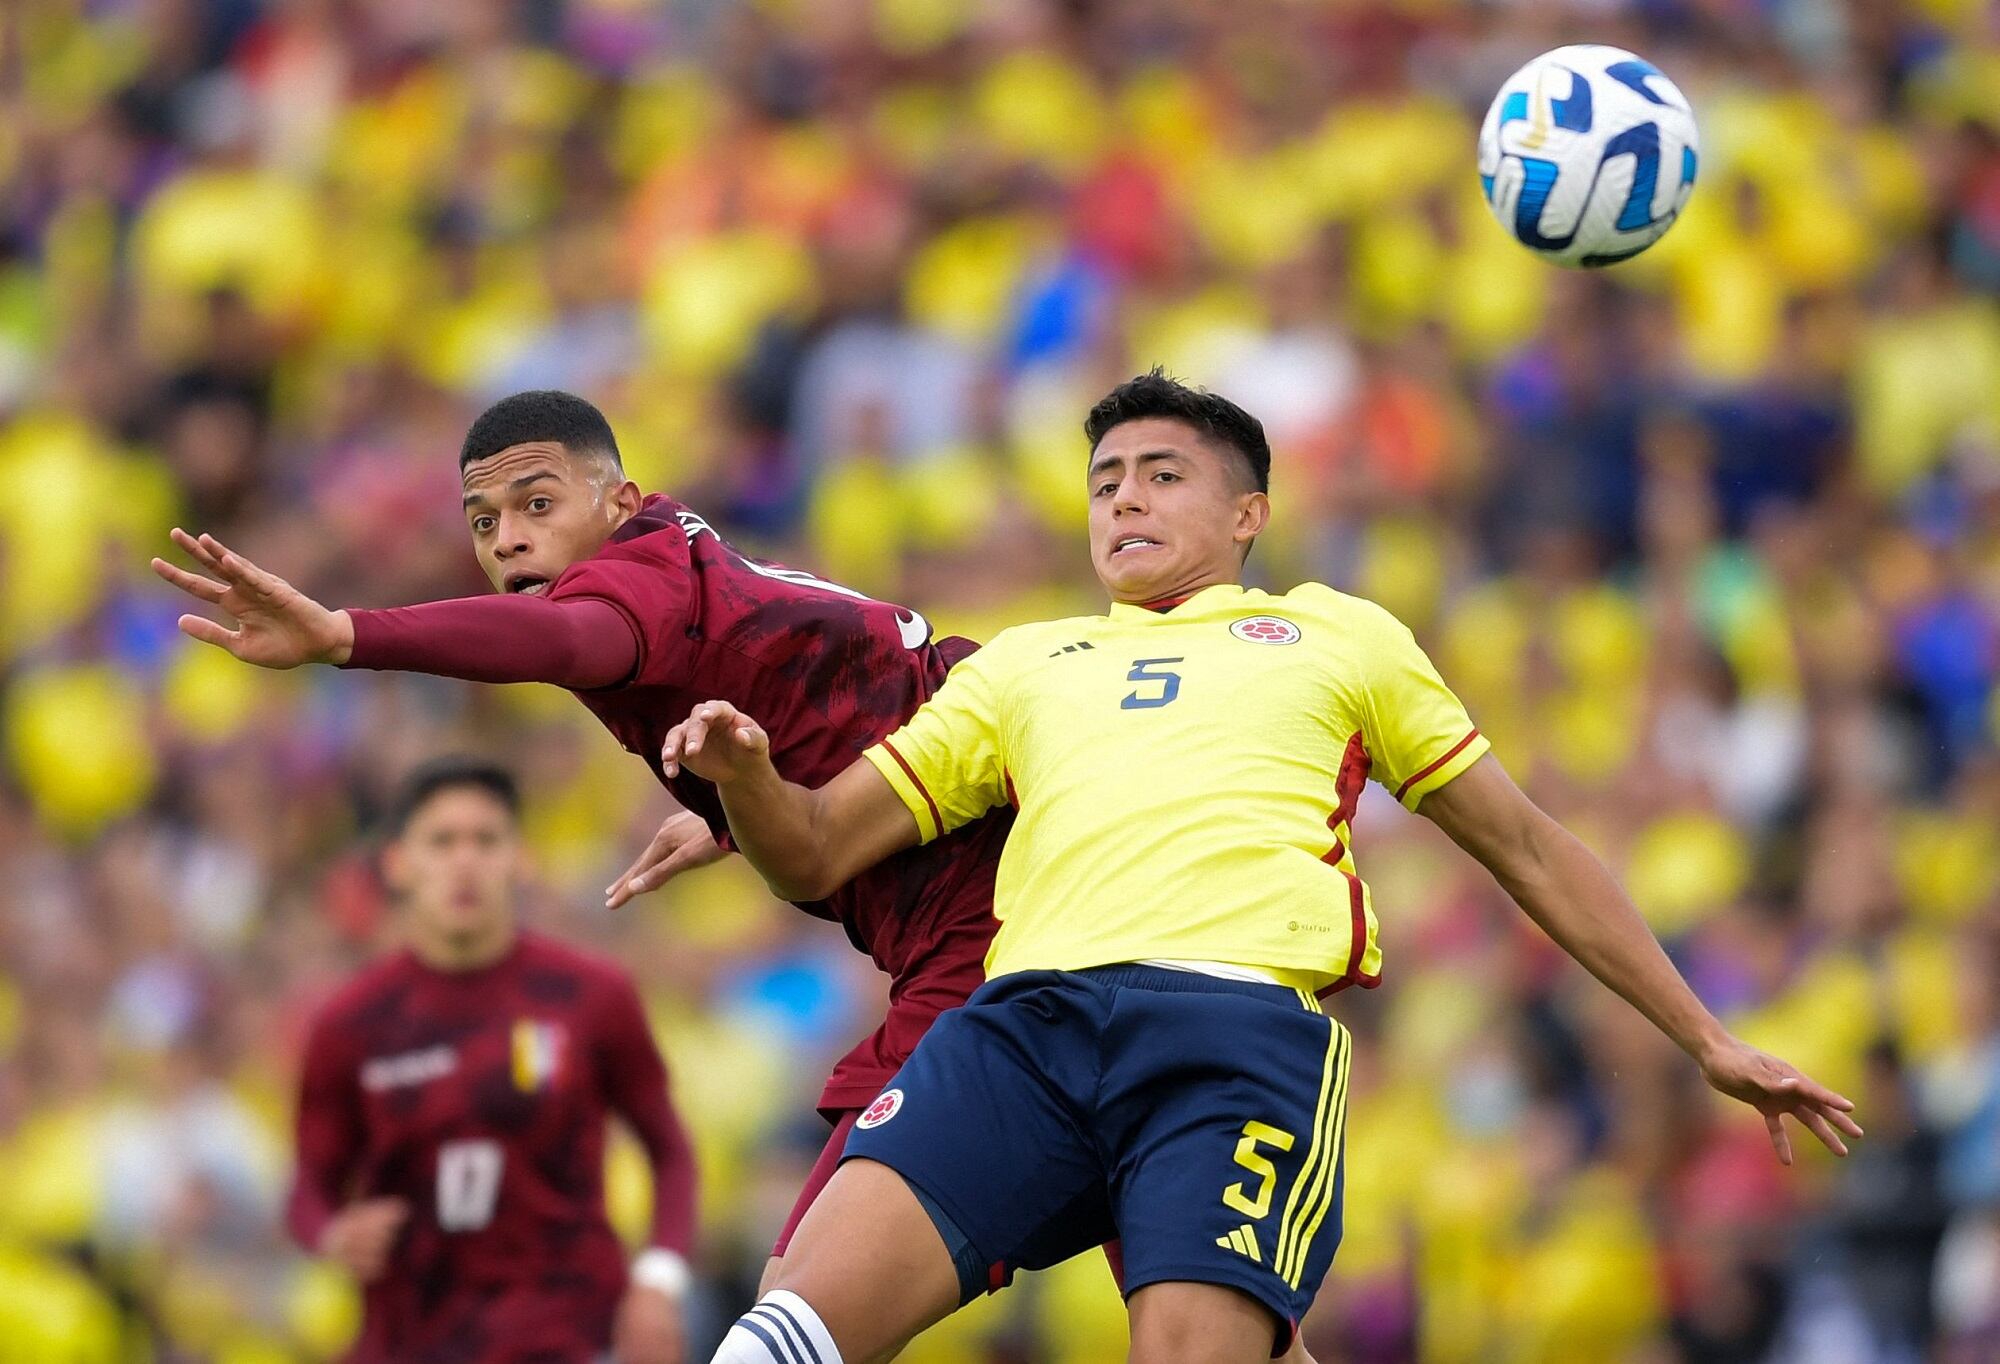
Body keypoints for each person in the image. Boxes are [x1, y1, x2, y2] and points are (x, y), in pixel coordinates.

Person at [659, 370, 1867, 1364]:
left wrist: (1703, 1035)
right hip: (1018, 1031)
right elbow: (812, 849)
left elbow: (1527, 846)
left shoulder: (1337, 634)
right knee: (774, 1339)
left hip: (1226, 1040)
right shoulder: (1025, 662)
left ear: (1247, 515)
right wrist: (746, 778)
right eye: (1103, 481)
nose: (1121, 499)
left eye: (1160, 473)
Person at [153, 390, 1010, 1289]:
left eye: (536, 504)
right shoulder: (666, 567)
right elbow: (826, 688)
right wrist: (733, 815)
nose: (508, 540)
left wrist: (344, 635)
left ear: (619, 503)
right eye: (483, 522)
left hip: (982, 912)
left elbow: (565, 639)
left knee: (800, 1306)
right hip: (983, 857)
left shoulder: (620, 593)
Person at [287, 757, 696, 1364]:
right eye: (442, 841)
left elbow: (670, 1153)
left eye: (485, 840)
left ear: (519, 859)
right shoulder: (350, 1025)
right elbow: (309, 1189)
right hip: (410, 1342)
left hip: (569, 1337)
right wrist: (332, 1234)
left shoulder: (591, 997)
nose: (465, 861)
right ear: (399, 864)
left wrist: (658, 1282)